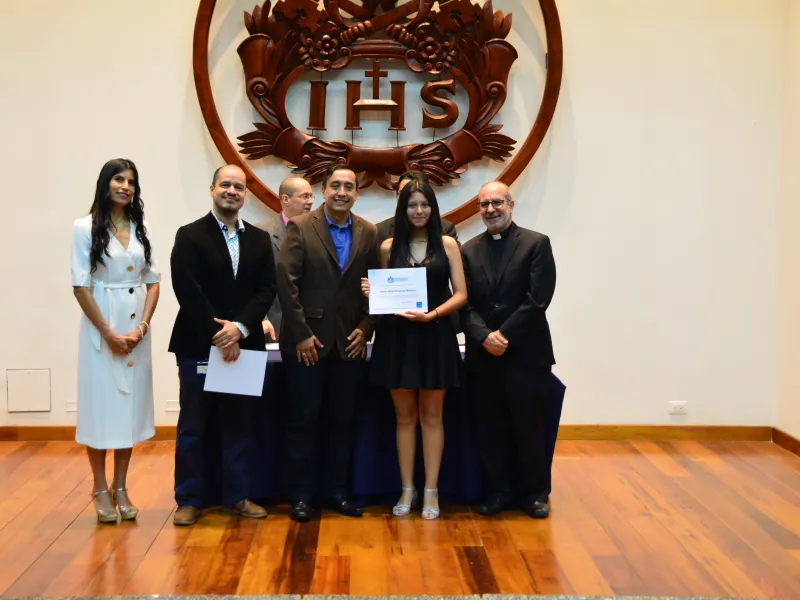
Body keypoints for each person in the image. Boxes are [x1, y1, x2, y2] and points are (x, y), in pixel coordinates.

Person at [168, 164, 276, 526]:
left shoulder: (259, 239)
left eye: (238, 187)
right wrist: (220, 334)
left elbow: (267, 289)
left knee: (239, 425)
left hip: (245, 345)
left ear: (245, 195)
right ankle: (189, 499)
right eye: (225, 185)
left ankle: (237, 496)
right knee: (194, 426)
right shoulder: (189, 235)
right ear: (212, 189)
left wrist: (240, 329)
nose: (232, 191)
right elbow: (187, 289)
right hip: (198, 345)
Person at [277, 164, 378, 523]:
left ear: (356, 193)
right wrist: (301, 333)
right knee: (303, 422)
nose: (342, 192)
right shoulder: (301, 227)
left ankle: (337, 492)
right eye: (335, 185)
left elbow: (376, 284)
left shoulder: (368, 231)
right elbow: (286, 283)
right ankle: (301, 497)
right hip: (307, 344)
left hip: (349, 344)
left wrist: (367, 327)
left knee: (342, 423)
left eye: (349, 186)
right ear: (323, 191)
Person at [361, 179, 466, 519]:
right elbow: (383, 298)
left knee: (432, 417)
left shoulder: (448, 244)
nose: (419, 211)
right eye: (411, 205)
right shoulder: (387, 247)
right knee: (404, 418)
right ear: (402, 209)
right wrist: (372, 293)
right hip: (397, 339)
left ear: (433, 207)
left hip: (435, 335)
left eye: (424, 204)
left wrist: (431, 315)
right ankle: (407, 488)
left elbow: (461, 294)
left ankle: (431, 490)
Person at [71, 158, 161, 523]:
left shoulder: (142, 227)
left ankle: (120, 486)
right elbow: (80, 286)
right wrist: (107, 333)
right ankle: (98, 486)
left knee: (128, 408)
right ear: (105, 184)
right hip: (101, 327)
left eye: (131, 181)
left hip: (135, 329)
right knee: (100, 407)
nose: (125, 186)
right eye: (118, 179)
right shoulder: (84, 227)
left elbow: (153, 281)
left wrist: (142, 328)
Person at [460, 181, 556, 519]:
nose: (490, 210)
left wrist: (504, 335)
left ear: (511, 205)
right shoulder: (468, 250)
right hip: (484, 355)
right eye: (484, 204)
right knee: (490, 428)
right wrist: (484, 336)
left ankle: (535, 494)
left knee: (529, 427)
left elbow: (538, 298)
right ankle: (498, 492)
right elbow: (464, 303)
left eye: (497, 203)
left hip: (526, 354)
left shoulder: (536, 243)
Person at [255, 176, 314, 341]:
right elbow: (252, 280)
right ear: (285, 199)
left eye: (311, 196)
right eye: (304, 196)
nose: (310, 201)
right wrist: (261, 318)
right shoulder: (261, 233)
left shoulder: (319, 232)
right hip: (274, 324)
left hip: (313, 328)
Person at [376, 170, 459, 247]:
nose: (412, 197)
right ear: (397, 196)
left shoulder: (446, 229)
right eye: (405, 192)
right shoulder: (380, 231)